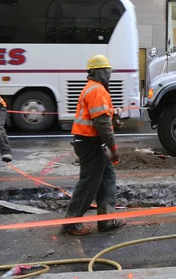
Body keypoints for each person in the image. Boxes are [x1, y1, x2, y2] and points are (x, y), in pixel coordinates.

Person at [62, 54, 125, 236]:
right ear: (101, 73)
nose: (110, 75)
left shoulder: (93, 89)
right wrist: (114, 149)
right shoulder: (97, 90)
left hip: (89, 143)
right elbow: (102, 124)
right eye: (108, 72)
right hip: (90, 144)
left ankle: (107, 220)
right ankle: (71, 223)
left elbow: (102, 117)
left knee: (107, 178)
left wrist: (114, 116)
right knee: (89, 184)